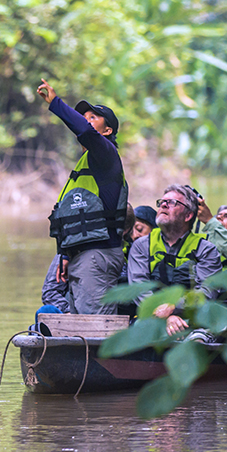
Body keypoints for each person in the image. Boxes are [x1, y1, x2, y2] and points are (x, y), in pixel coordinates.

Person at [37, 79, 129, 315]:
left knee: (96, 328)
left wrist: (56, 103)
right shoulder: (84, 166)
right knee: (81, 326)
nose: (87, 120)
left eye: (93, 117)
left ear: (107, 130)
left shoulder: (107, 155)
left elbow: (86, 133)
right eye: (84, 116)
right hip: (82, 255)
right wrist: (66, 254)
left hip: (98, 255)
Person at [127, 184, 222, 336]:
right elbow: (139, 288)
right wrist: (164, 315)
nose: (163, 204)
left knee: (202, 332)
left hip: (192, 319)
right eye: (161, 202)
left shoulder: (206, 249)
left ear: (188, 215)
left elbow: (207, 293)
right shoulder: (141, 245)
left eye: (172, 202)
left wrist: (173, 308)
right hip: (152, 317)